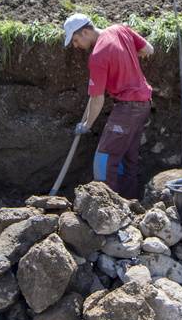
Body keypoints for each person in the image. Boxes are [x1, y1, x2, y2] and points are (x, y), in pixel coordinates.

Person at [63, 13, 154, 199]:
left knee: (103, 159)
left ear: (86, 32)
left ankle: (106, 209)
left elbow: (97, 100)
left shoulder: (97, 56)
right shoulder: (119, 30)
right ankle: (129, 205)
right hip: (143, 104)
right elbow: (148, 49)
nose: (75, 45)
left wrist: (86, 126)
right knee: (126, 159)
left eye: (75, 39)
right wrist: (121, 56)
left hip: (127, 107)